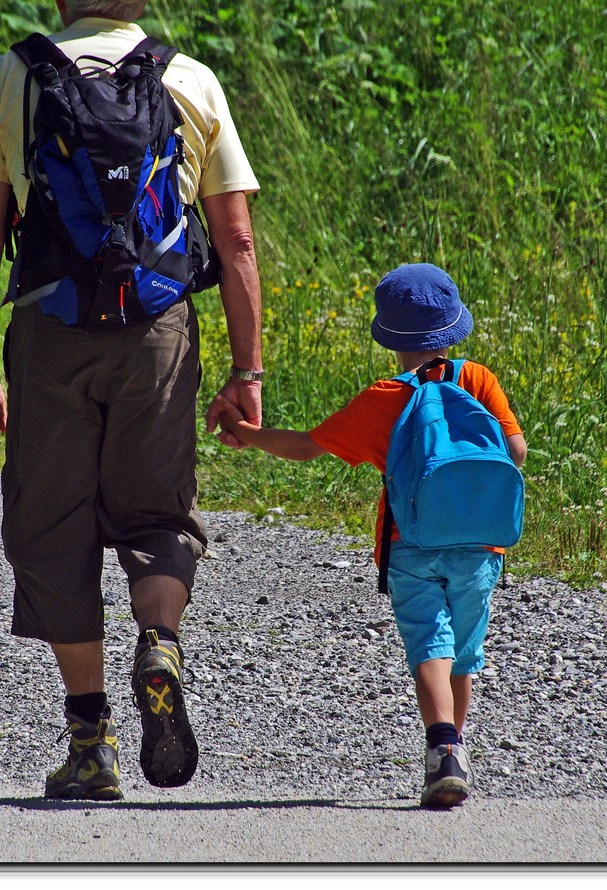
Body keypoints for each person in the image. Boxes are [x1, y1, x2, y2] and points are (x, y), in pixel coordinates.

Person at [0, 0, 265, 800]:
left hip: (50, 329)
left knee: (51, 524)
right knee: (156, 508)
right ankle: (158, 641)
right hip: (159, 330)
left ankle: (91, 743)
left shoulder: (11, 77)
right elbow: (234, 240)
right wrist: (246, 375)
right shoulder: (192, 81)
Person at [215, 262, 527, 808]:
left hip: (410, 543)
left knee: (428, 640)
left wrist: (247, 434)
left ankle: (442, 748)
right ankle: (456, 747)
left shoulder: (386, 396)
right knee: (464, 647)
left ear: (389, 336)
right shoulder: (479, 381)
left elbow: (307, 445)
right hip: (482, 546)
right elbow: (516, 453)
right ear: (455, 327)